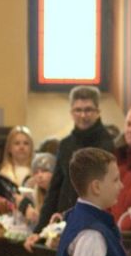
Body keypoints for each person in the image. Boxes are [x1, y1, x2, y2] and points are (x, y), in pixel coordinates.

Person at [31, 86, 115, 239]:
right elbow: (54, 189)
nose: (83, 115)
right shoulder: (65, 145)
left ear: (98, 112)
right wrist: (38, 230)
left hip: (95, 224)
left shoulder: (107, 144)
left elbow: (107, 189)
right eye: (78, 110)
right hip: (65, 221)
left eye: (88, 110)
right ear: (71, 113)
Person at [0, 125, 34, 204]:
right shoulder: (1, 175)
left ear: (31, 148)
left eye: (26, 143)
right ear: (9, 148)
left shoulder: (37, 174)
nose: (21, 147)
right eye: (17, 143)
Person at [19, 152, 56, 228]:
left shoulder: (60, 194)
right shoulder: (32, 192)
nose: (40, 176)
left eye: (44, 171)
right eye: (36, 172)